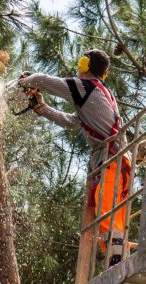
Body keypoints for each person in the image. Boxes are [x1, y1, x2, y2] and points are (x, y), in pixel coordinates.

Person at [13, 48, 130, 267]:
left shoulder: (84, 86)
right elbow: (71, 121)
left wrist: (26, 80)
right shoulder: (97, 93)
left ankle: (117, 260)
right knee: (113, 212)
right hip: (119, 159)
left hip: (111, 159)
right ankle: (118, 257)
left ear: (85, 64)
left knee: (105, 207)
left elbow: (43, 80)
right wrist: (41, 107)